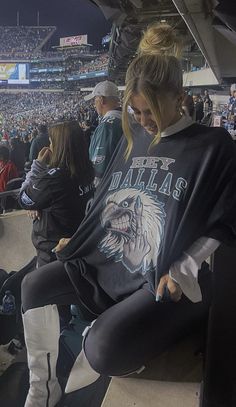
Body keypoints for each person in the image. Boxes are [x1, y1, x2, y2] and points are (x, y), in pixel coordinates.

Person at [21, 24, 236, 407]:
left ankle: (107, 333)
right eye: (134, 111)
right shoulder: (132, 136)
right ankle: (42, 388)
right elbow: (108, 197)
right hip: (113, 259)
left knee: (103, 350)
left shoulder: (213, 146)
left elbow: (224, 218)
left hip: (165, 278)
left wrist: (185, 266)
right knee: (32, 287)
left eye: (149, 110)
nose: (142, 120)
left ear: (179, 97)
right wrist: (85, 236)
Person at [19, 121, 94, 267]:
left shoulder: (54, 179)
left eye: (52, 142)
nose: (50, 147)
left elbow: (23, 198)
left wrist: (37, 166)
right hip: (79, 244)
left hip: (54, 254)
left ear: (60, 145)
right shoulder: (87, 169)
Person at [85, 80, 123, 187]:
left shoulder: (107, 126)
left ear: (101, 100)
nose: (94, 104)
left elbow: (99, 171)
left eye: (95, 100)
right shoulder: (126, 119)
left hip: (109, 187)